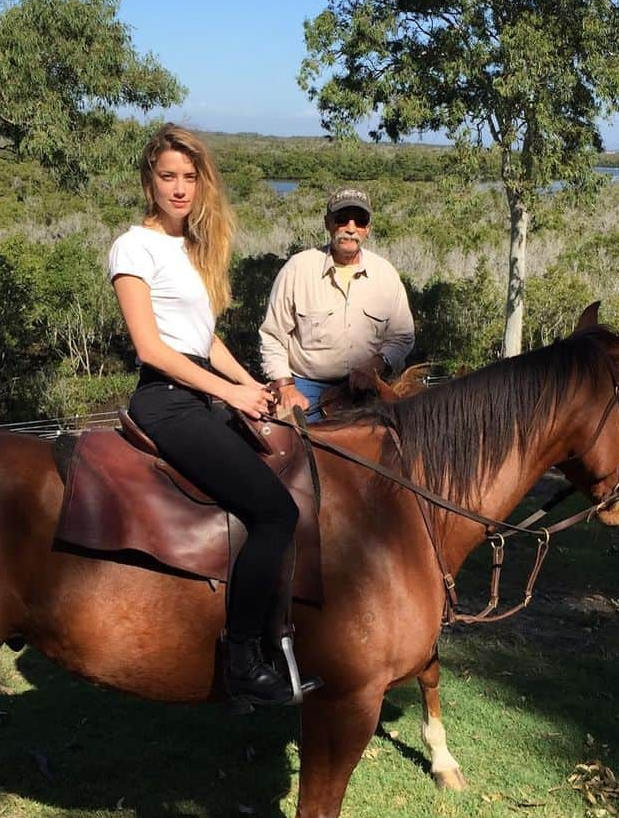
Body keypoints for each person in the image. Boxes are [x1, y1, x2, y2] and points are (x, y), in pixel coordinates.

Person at [108, 124, 311, 708]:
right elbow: (152, 349)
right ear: (149, 180)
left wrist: (256, 385)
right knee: (276, 514)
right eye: (168, 176)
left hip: (200, 390)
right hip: (166, 400)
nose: (179, 188)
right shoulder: (133, 246)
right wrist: (229, 393)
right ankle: (244, 657)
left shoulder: (188, 247)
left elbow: (205, 337)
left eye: (189, 177)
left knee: (282, 477)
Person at [259, 186, 415, 421]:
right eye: (342, 219)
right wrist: (286, 386)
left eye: (360, 221)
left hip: (369, 386)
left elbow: (403, 336)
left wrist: (378, 362)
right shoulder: (298, 269)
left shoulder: (386, 274)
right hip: (307, 386)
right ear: (328, 223)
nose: (351, 228)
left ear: (368, 229)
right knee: (295, 451)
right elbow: (272, 336)